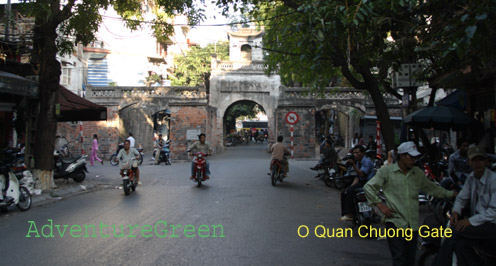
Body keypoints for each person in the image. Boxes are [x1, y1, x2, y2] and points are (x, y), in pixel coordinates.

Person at [364, 141, 456, 266]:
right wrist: (380, 206)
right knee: (399, 258)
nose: (414, 160)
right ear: (402, 156)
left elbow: (432, 188)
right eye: (411, 157)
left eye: (415, 157)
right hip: (394, 222)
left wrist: (451, 194)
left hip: (411, 224)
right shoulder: (387, 172)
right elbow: (369, 187)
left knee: (410, 259)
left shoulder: (417, 173)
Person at [432, 144, 496, 266]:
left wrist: (469, 222)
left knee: (455, 232)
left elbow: (493, 213)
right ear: (469, 162)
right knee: (460, 245)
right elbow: (461, 198)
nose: (478, 163)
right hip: (479, 226)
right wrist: (456, 212)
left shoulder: (493, 180)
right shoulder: (472, 179)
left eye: (481, 159)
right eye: (474, 160)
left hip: (491, 226)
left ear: (487, 162)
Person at [339, 145, 375, 221]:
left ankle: (350, 214)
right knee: (345, 192)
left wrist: (353, 165)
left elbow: (362, 174)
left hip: (369, 183)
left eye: (357, 153)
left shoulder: (366, 161)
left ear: (362, 153)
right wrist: (351, 186)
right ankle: (347, 212)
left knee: (350, 191)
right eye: (354, 153)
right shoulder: (359, 162)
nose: (355, 154)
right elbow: (357, 177)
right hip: (362, 182)